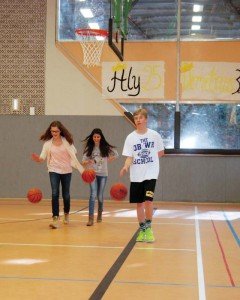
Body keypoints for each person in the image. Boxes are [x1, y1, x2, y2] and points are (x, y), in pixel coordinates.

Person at [120, 108, 164, 243]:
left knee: (148, 200)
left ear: (146, 119)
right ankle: (142, 229)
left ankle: (149, 228)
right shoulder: (130, 137)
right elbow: (129, 157)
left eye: (140, 117)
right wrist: (126, 166)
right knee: (139, 203)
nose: (138, 120)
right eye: (136, 118)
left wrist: (150, 161)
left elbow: (161, 152)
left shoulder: (154, 135)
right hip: (136, 175)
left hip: (151, 174)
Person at [31, 121, 84, 229]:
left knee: (66, 194)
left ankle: (66, 214)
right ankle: (55, 218)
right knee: (55, 193)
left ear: (60, 131)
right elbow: (42, 157)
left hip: (67, 170)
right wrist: (38, 159)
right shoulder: (47, 144)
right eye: (52, 131)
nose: (54, 133)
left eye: (56, 131)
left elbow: (75, 153)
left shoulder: (67, 142)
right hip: (53, 170)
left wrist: (74, 160)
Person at [82, 128, 118, 226]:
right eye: (94, 137)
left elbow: (116, 154)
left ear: (101, 137)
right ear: (92, 137)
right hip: (92, 174)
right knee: (93, 194)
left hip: (103, 174)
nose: (96, 138)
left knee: (100, 196)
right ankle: (90, 218)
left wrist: (111, 158)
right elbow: (83, 161)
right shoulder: (89, 148)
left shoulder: (105, 147)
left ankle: (100, 214)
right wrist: (88, 162)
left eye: (98, 137)